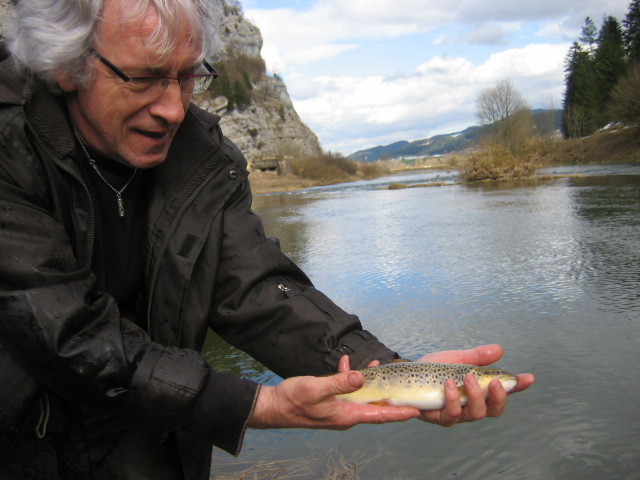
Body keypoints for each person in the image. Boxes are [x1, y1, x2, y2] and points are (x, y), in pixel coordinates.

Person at [0, 0, 534, 478]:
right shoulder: (8, 143)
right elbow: (67, 331)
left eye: (187, 76)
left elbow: (256, 288)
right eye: (144, 77)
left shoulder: (202, 159)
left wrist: (387, 374)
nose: (173, 108)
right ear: (66, 65)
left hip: (152, 449)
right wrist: (254, 405)